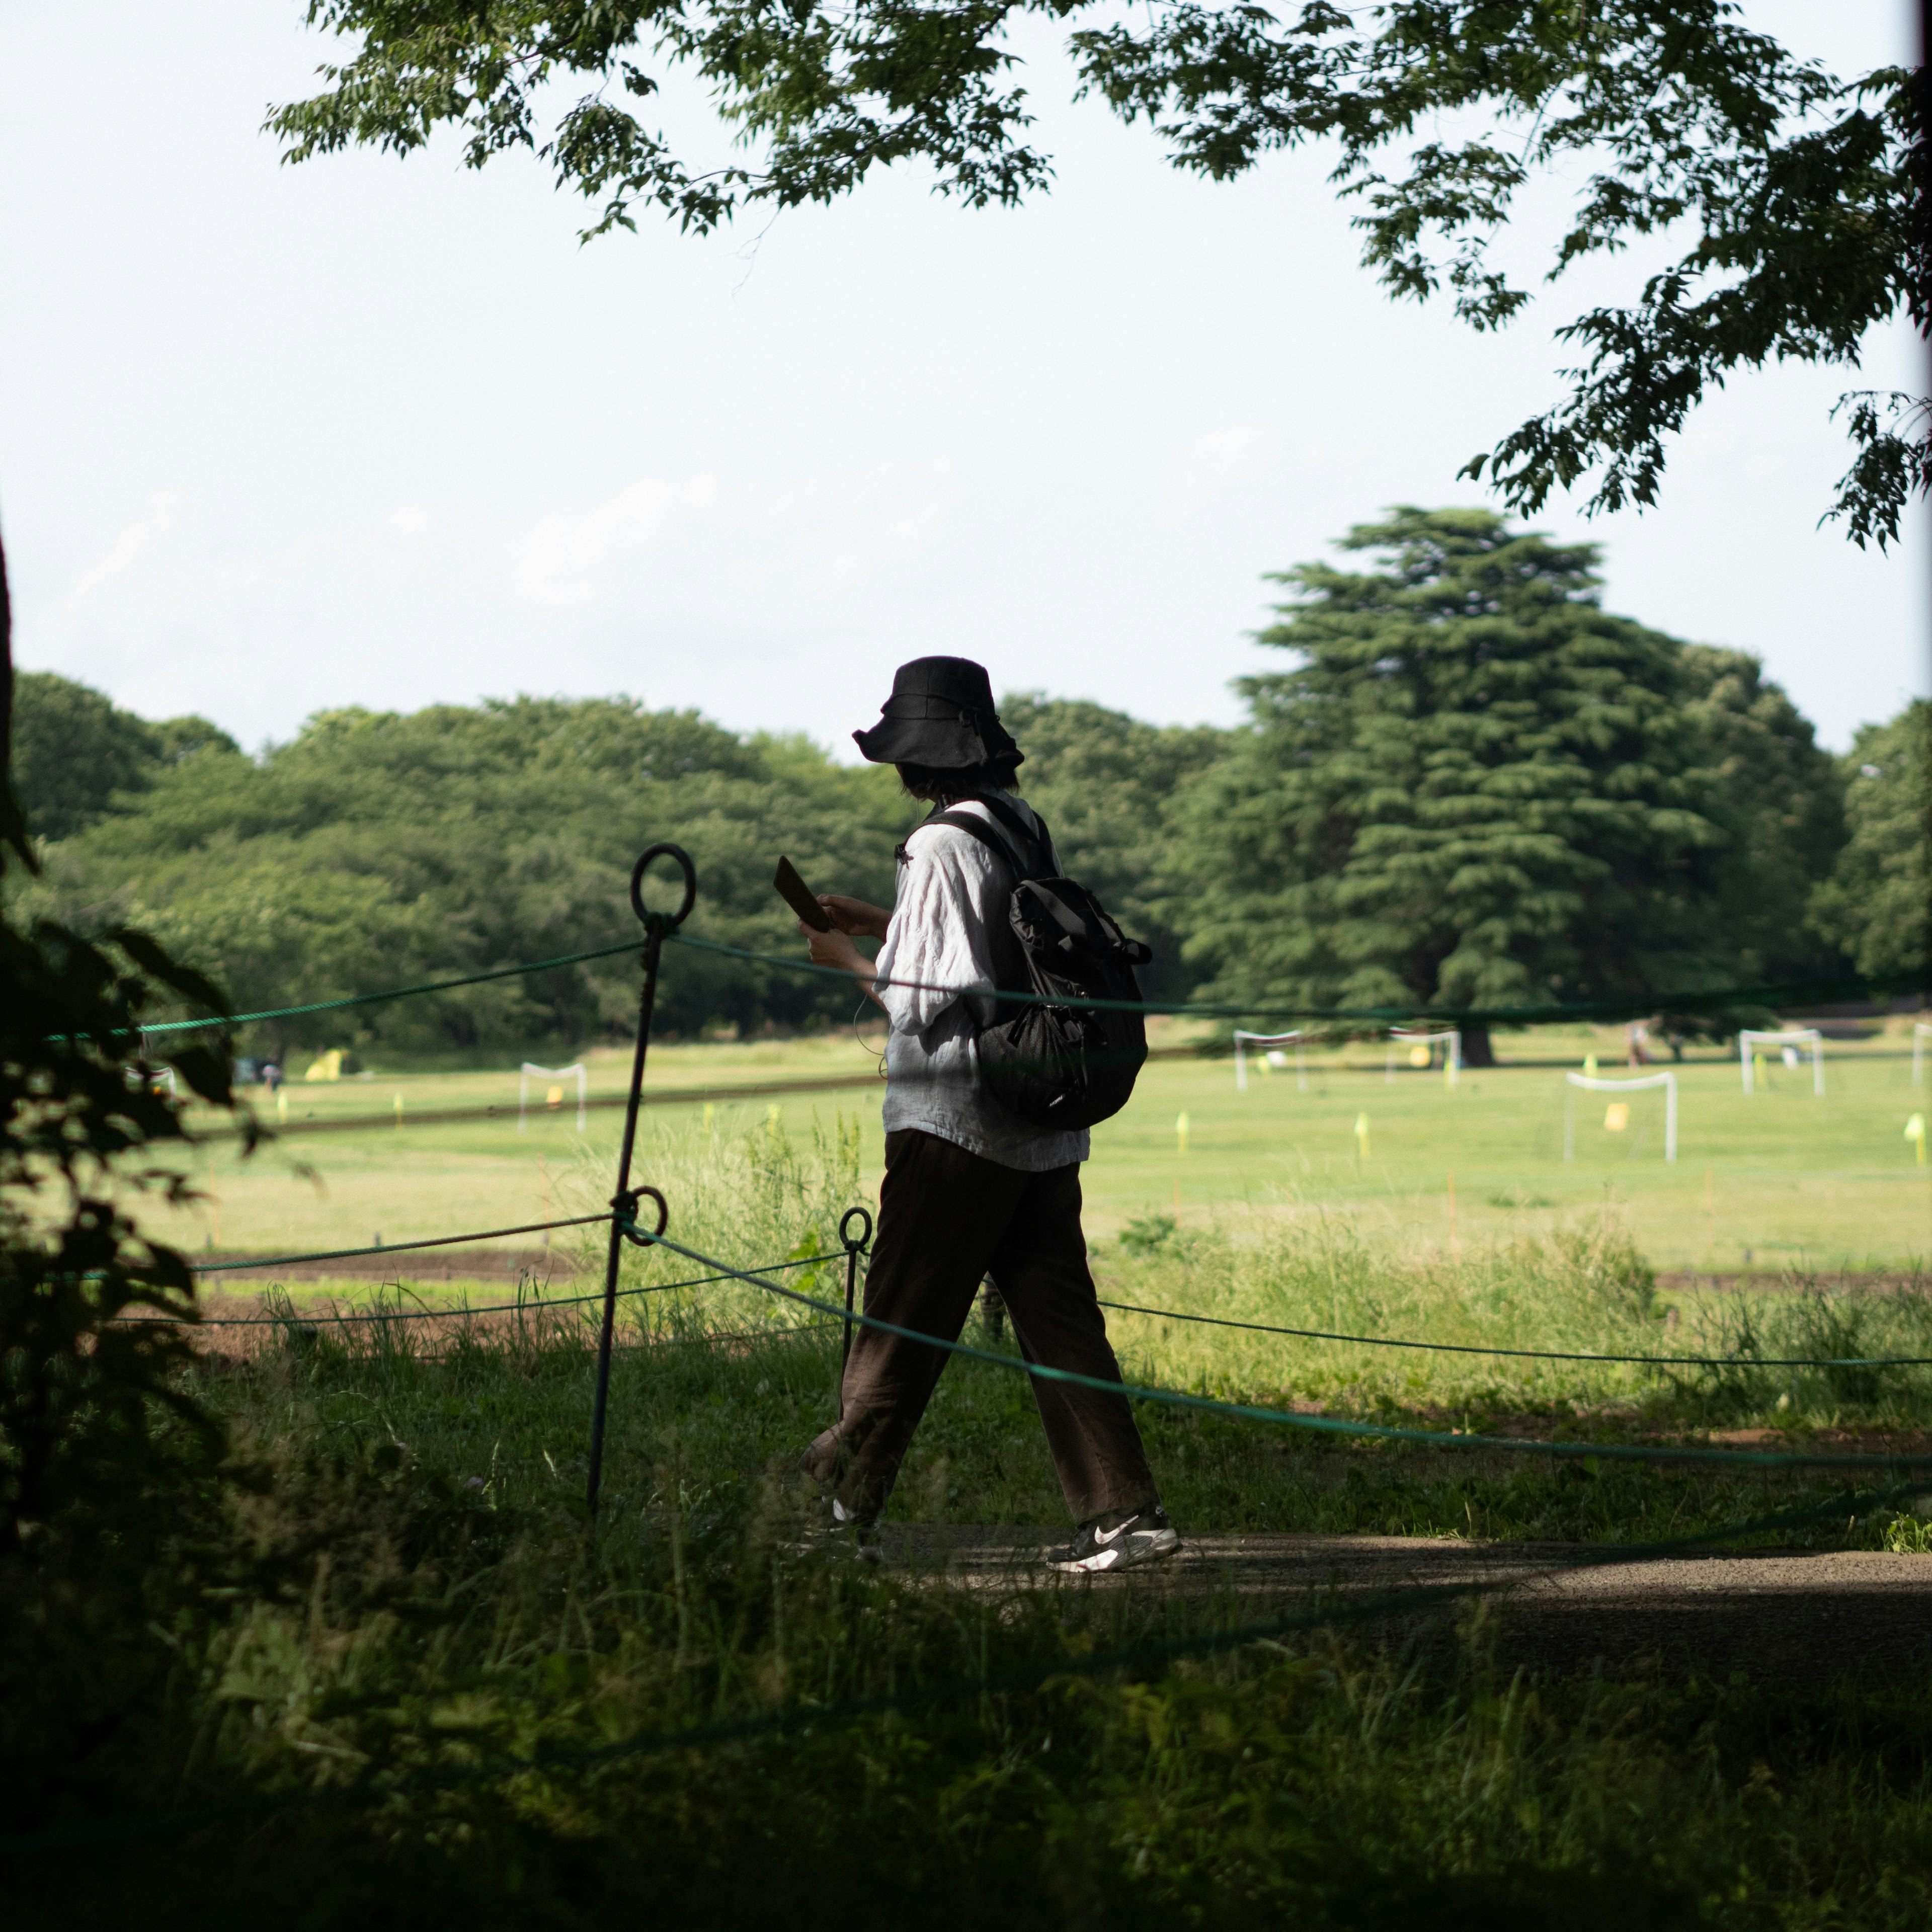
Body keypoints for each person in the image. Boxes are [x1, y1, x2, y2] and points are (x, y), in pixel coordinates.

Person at [793, 657, 1179, 1574]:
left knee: (902, 1323)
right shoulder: (1016, 823)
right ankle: (1125, 1517)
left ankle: (826, 1521)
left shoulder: (935, 846)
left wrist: (840, 956)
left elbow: (923, 1002)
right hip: (1038, 1121)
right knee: (1060, 1324)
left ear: (914, 761)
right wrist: (886, 922)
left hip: (955, 1122)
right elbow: (1001, 953)